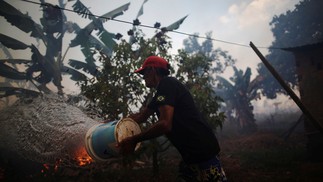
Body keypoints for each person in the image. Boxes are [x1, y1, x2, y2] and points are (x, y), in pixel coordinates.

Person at [117, 56, 227, 181]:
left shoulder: (167, 84)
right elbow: (142, 116)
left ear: (152, 70)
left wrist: (135, 139)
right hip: (191, 154)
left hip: (202, 151)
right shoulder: (160, 95)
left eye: (144, 72)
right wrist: (117, 124)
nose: (143, 77)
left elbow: (165, 124)